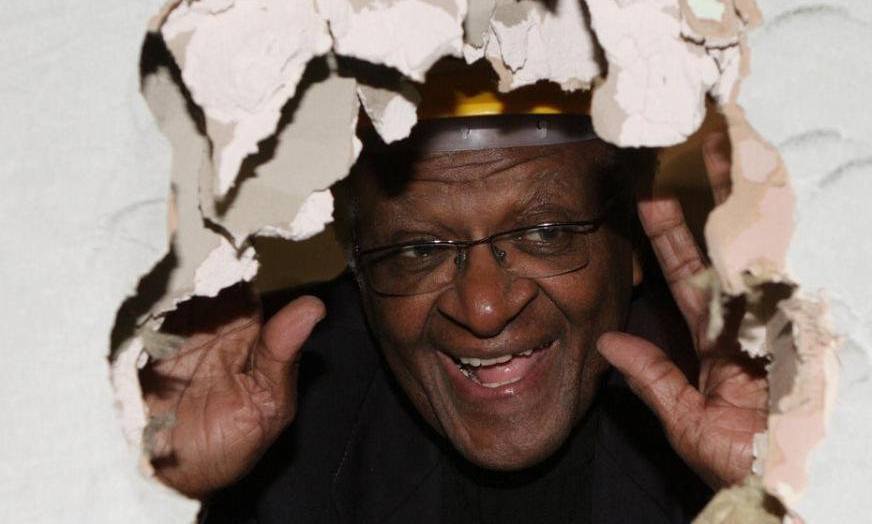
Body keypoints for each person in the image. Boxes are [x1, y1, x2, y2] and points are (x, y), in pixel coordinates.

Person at [141, 64, 767, 522]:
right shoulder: (255, 413)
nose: (485, 308)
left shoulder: (754, 399)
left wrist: (794, 494)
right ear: (357, 272)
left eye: (545, 234)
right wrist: (152, 492)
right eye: (417, 250)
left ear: (630, 249)